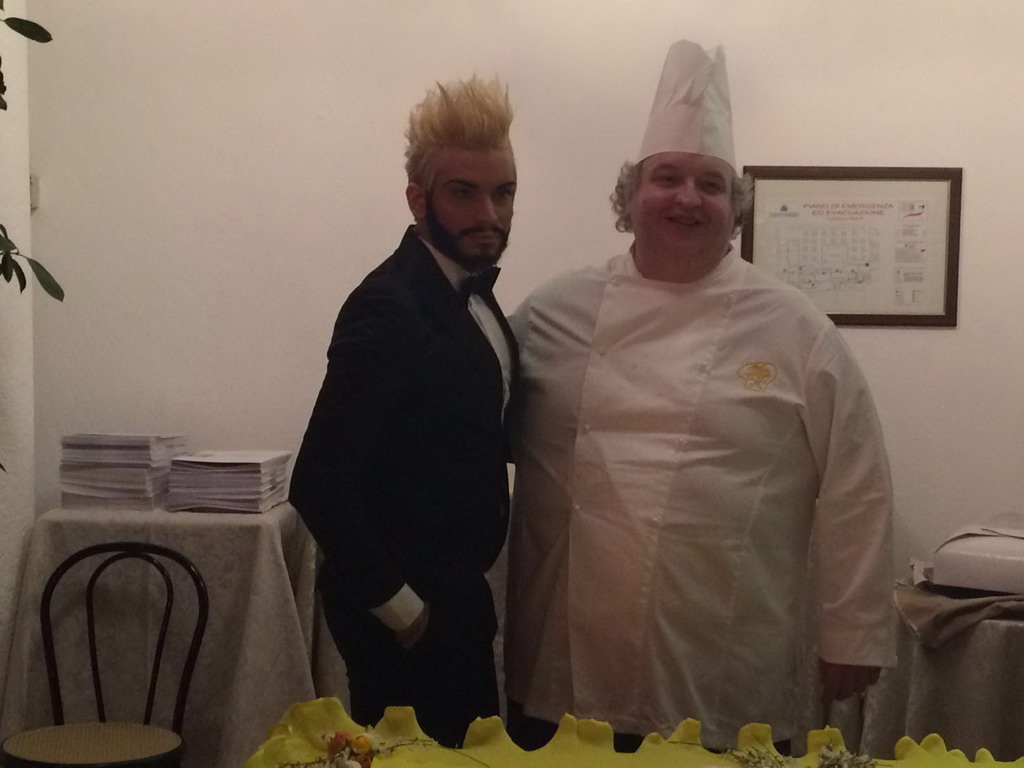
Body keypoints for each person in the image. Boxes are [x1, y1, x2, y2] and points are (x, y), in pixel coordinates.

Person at [503, 40, 895, 752]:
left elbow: (856, 483)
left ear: (735, 208)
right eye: (667, 177)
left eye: (711, 183)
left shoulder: (794, 327)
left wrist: (852, 632)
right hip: (565, 660)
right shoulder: (553, 311)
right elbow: (467, 428)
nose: (687, 198)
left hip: (725, 658)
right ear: (629, 198)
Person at [289, 75, 518, 748]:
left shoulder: (468, 290)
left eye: (504, 192)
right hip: (409, 615)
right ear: (418, 199)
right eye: (464, 192)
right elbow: (319, 481)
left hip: (459, 598)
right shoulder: (388, 307)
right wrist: (406, 612)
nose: (490, 213)